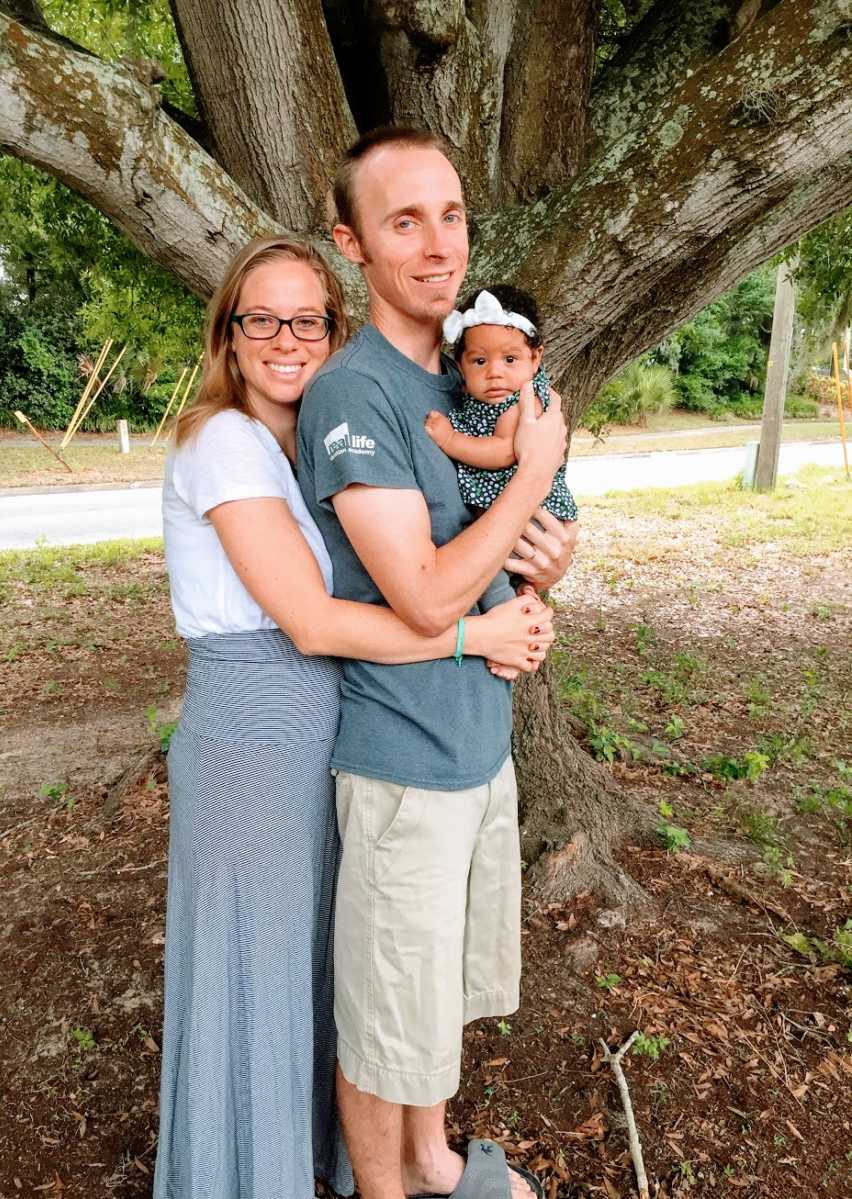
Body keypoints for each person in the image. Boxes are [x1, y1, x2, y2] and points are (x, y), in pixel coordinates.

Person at [154, 235, 558, 1199]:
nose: (287, 339)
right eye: (263, 318)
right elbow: (311, 618)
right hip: (252, 737)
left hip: (316, 728)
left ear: (330, 331)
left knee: (314, 972)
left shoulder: (297, 442)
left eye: (308, 319)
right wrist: (471, 636)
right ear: (229, 334)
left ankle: (331, 1163)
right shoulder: (222, 443)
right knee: (252, 970)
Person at [295, 129, 578, 1199]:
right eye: (402, 219)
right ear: (351, 243)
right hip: (403, 760)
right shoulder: (352, 393)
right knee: (382, 1015)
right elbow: (418, 588)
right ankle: (385, 1188)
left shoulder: (474, 381)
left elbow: (498, 550)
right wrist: (530, 477)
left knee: (427, 994)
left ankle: (431, 1159)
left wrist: (549, 559)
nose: (435, 243)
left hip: (474, 744)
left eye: (450, 214)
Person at [425, 285, 579, 524]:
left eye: (510, 359)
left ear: (535, 358)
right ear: (460, 365)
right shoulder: (477, 398)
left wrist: (450, 440)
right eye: (479, 361)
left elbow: (504, 451)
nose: (494, 372)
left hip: (534, 517)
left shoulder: (524, 401)